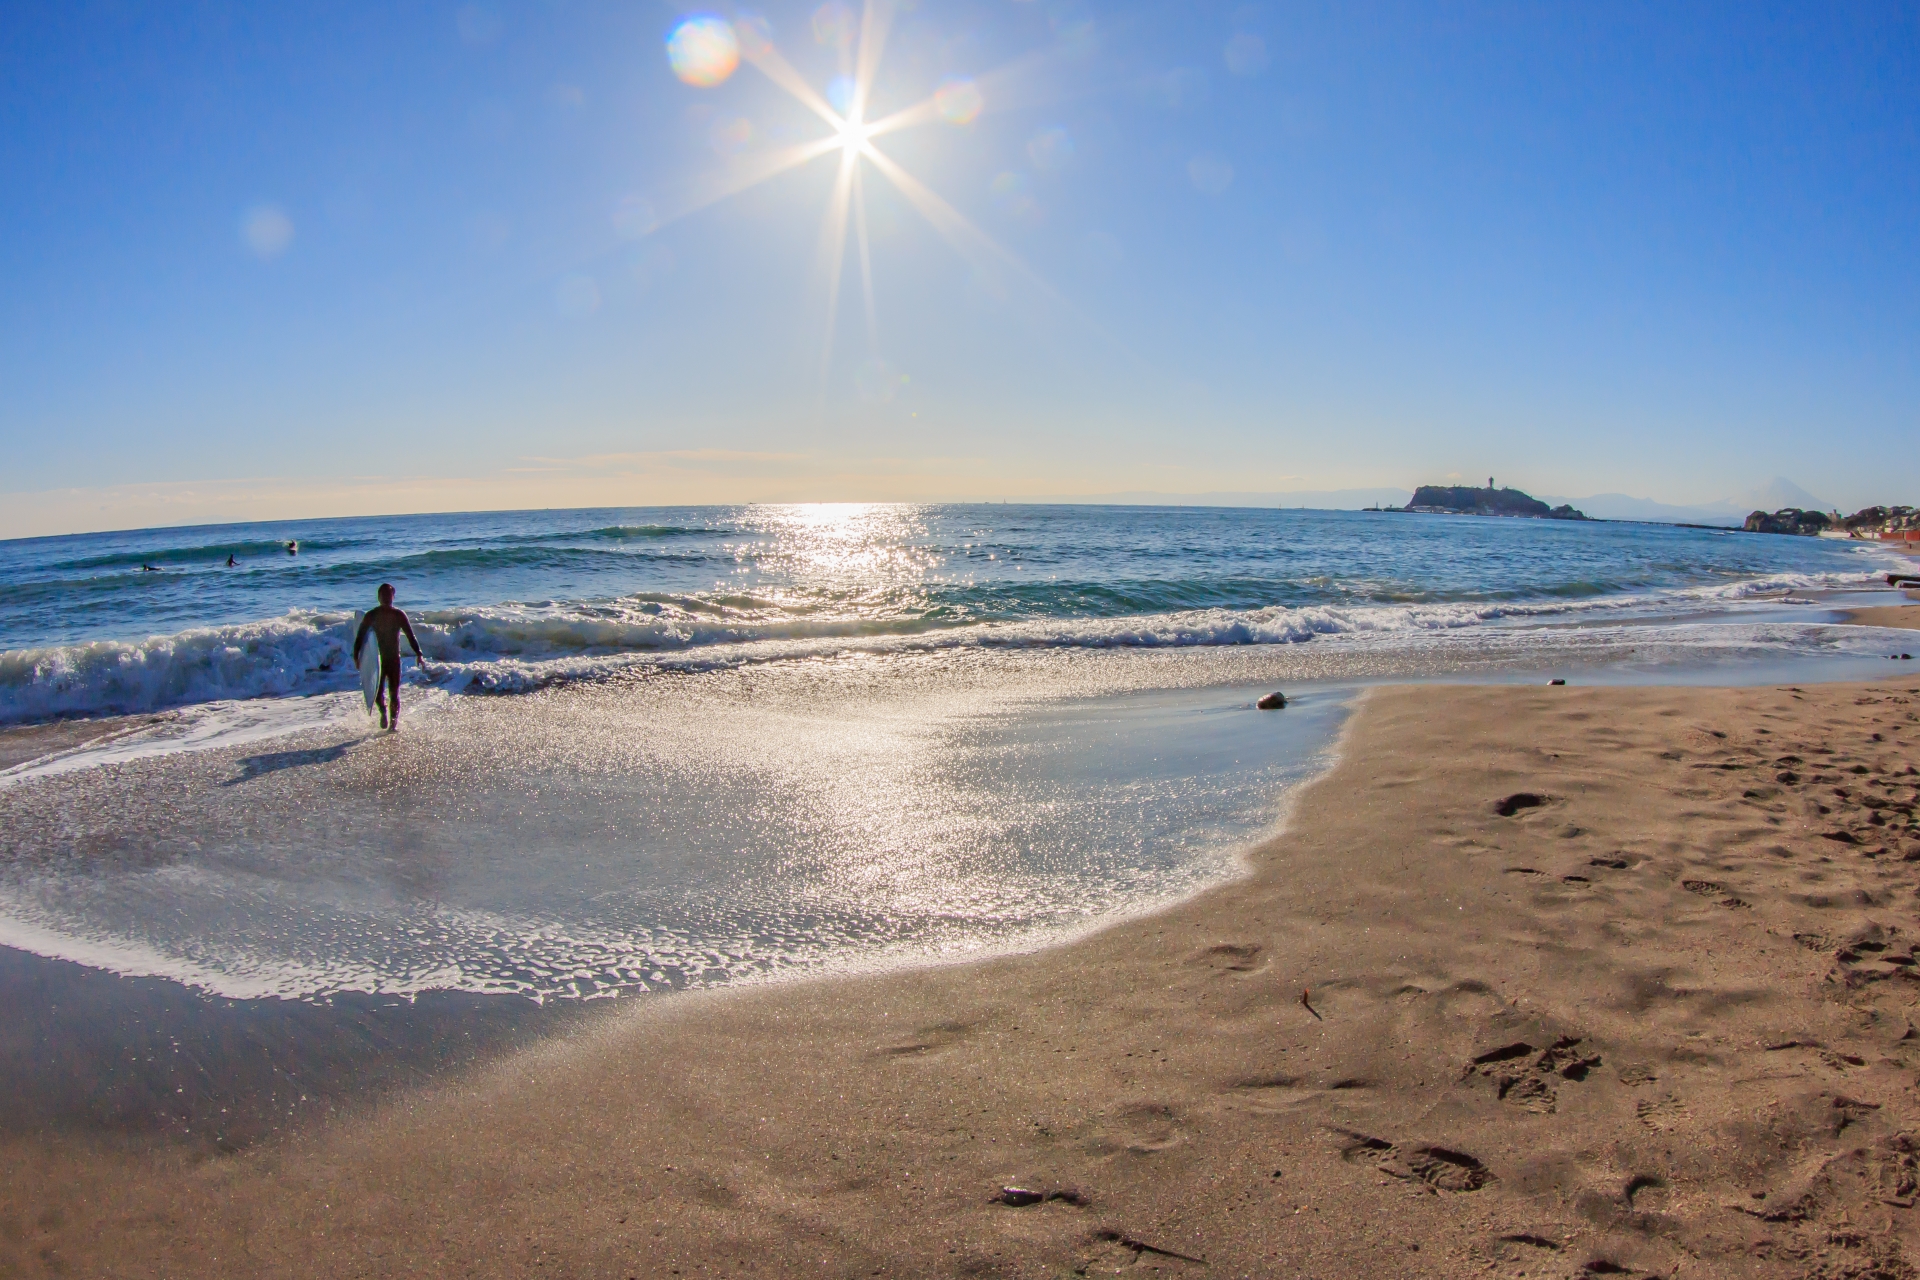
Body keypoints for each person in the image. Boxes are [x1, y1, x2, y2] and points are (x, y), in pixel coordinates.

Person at [352, 583, 425, 731]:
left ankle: (393, 724)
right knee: (378, 695)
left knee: (394, 693)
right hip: (378, 660)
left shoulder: (399, 615)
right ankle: (383, 712)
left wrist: (419, 653)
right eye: (383, 595)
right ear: (378, 597)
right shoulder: (371, 615)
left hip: (394, 660)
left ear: (393, 597)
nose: (386, 598)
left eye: (388, 595)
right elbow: (360, 637)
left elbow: (411, 636)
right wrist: (356, 655)